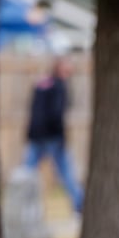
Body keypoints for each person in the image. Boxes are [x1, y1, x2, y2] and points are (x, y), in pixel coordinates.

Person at [24, 54, 84, 214]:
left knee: (26, 172)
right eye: (67, 66)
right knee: (66, 172)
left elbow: (34, 109)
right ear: (61, 68)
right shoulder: (59, 86)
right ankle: (80, 205)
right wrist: (61, 135)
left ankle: (20, 205)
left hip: (36, 135)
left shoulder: (42, 83)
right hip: (52, 136)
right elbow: (56, 114)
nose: (70, 69)